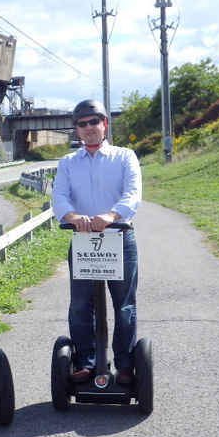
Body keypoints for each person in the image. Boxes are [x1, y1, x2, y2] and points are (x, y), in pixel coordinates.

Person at [51, 99, 142, 386]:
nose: (89, 127)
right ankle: (86, 362)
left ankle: (126, 365)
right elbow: (60, 197)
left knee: (124, 306)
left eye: (94, 121)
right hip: (83, 242)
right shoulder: (68, 162)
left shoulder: (125, 156)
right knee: (80, 306)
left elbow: (133, 193)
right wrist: (72, 216)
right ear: (76, 130)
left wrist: (110, 215)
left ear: (104, 124)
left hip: (118, 239)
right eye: (82, 123)